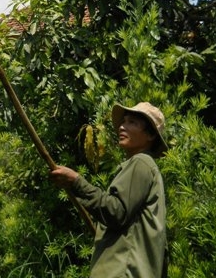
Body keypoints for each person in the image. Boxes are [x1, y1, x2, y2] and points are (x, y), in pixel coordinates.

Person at [50, 102, 168, 278]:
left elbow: (116, 211)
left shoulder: (141, 163)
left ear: (150, 135)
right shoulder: (144, 167)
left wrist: (76, 182)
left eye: (132, 123)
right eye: (123, 121)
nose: (122, 126)